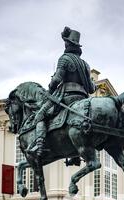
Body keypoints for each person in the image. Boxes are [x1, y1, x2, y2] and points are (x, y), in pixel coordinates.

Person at [32, 26, 97, 158]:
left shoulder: (64, 59)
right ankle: (74, 157)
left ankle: (40, 146)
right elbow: (91, 88)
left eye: (66, 42)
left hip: (66, 96)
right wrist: (94, 85)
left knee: (40, 115)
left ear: (68, 43)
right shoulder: (85, 64)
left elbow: (57, 79)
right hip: (82, 98)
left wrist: (49, 89)